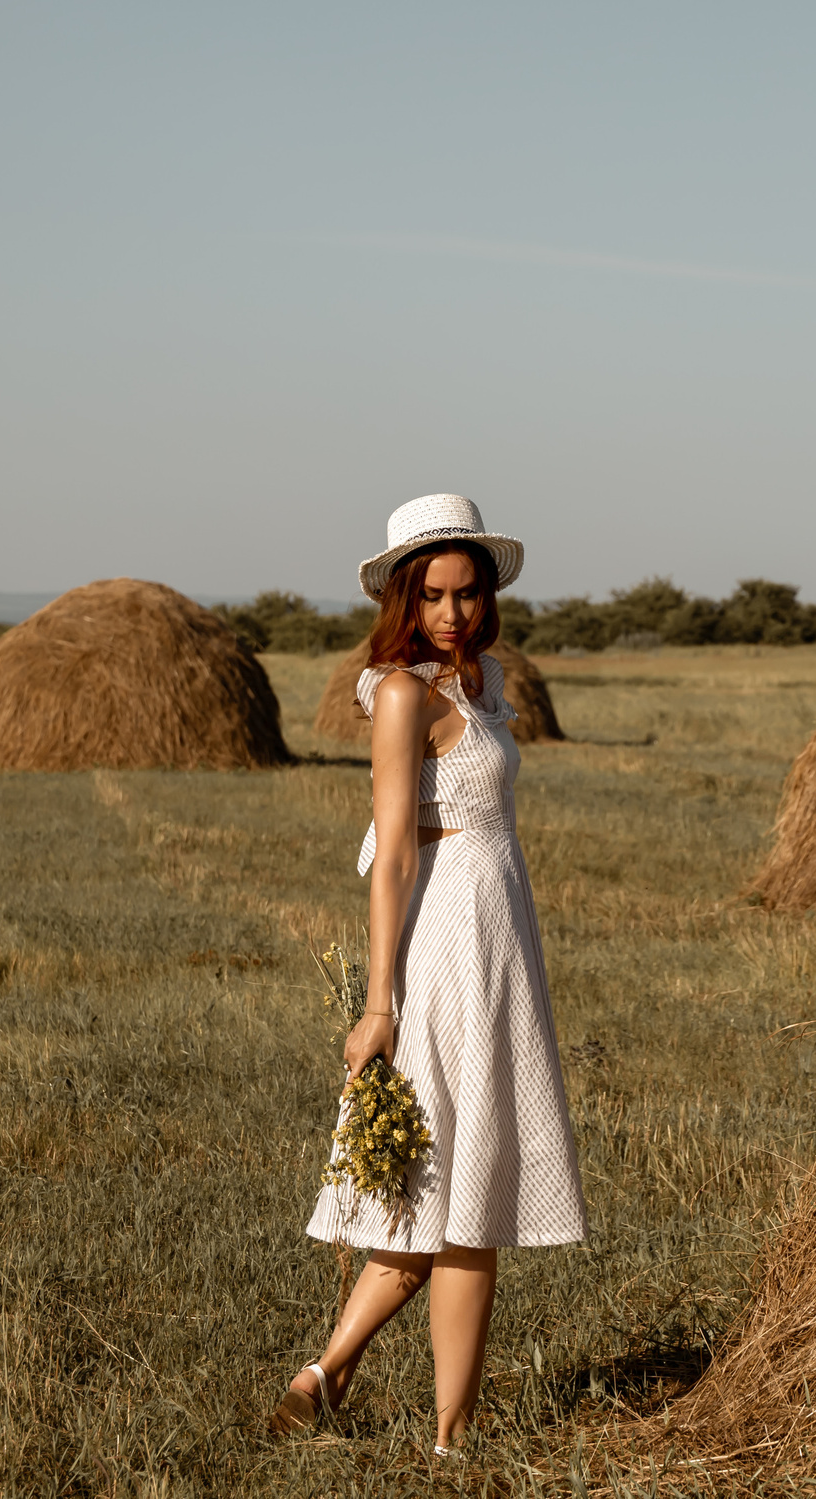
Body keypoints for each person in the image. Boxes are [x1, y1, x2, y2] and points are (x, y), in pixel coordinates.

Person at [268, 494, 588, 1456]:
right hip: (444, 943)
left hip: (500, 936)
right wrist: (379, 1003)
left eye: (468, 593)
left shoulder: (484, 680)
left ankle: (321, 1376)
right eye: (435, 595)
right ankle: (453, 1441)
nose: (453, 613)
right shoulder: (403, 691)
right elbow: (395, 850)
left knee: (434, 1192)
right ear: (406, 596)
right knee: (463, 1189)